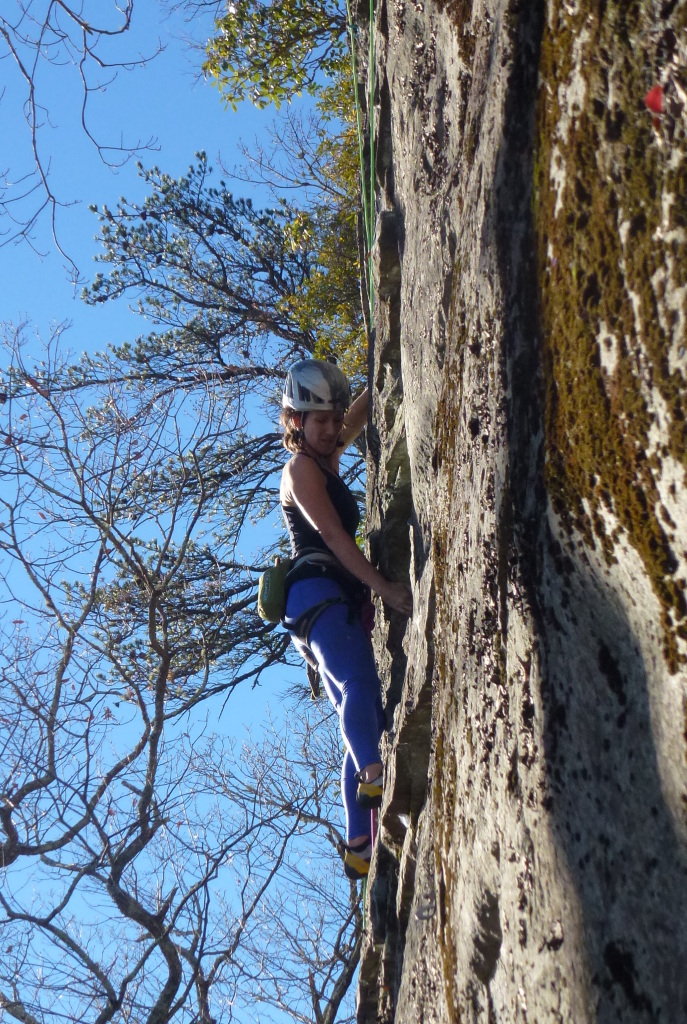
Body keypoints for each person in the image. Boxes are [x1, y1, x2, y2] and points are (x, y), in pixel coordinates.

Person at [279, 358, 412, 879]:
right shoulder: (299, 471)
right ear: (296, 424)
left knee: (361, 714)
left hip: (328, 601)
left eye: (334, 420)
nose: (333, 429)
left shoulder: (327, 455)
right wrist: (383, 588)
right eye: (321, 421)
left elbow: (357, 419)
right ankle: (374, 773)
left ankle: (361, 843)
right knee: (360, 682)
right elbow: (334, 537)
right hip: (316, 593)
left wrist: (384, 372)